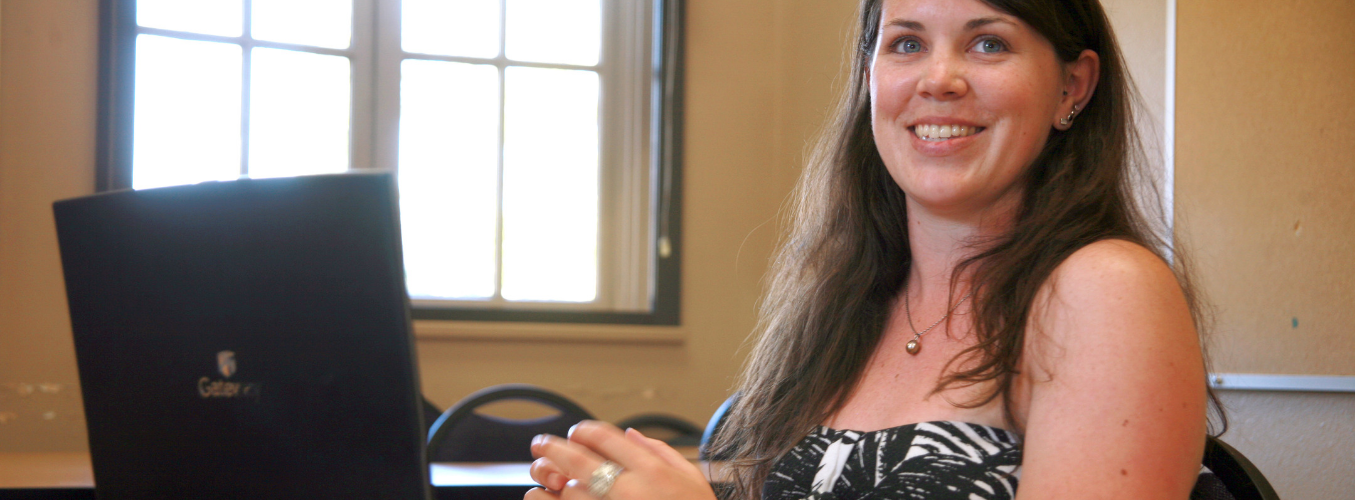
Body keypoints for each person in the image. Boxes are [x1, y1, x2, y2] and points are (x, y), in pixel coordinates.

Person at [526, 0, 1222, 498]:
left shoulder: (1106, 290)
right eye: (906, 44)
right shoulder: (847, 302)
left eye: (988, 43)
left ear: (1072, 85)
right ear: (869, 79)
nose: (938, 78)